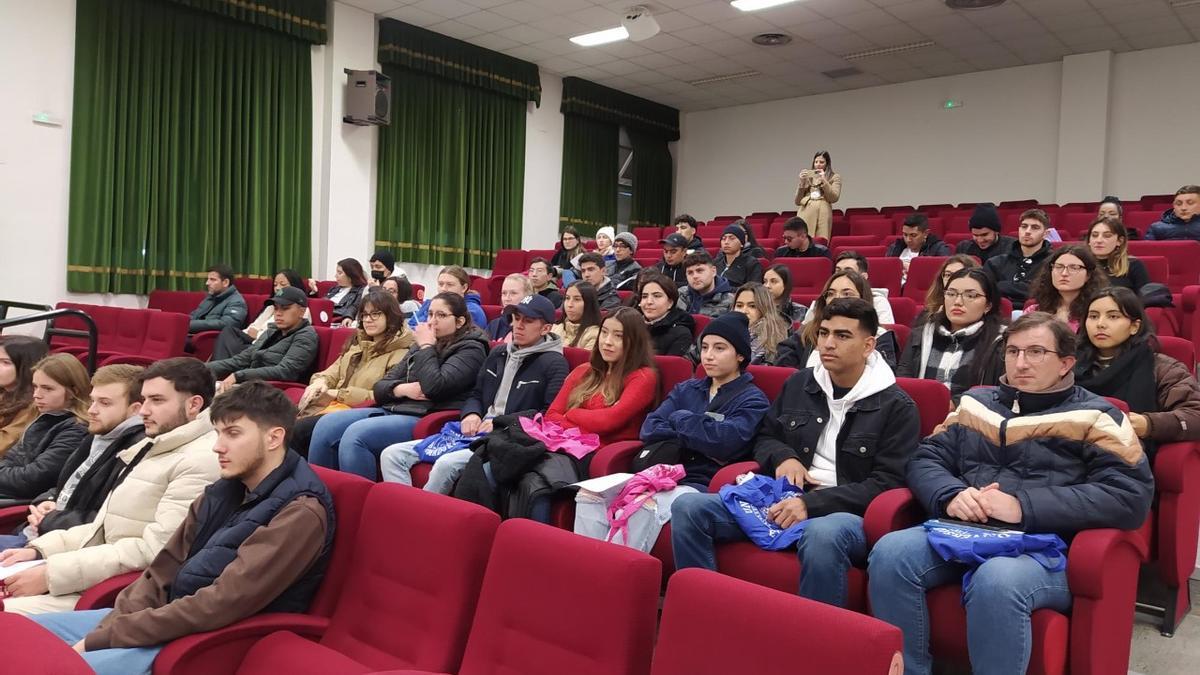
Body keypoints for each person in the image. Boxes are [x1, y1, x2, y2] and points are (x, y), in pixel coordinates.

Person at [868, 312, 1154, 675]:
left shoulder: (1099, 416)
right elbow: (926, 457)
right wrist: (951, 493)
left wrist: (1022, 506)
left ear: (1066, 363)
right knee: (891, 554)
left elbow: (1128, 496)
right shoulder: (976, 403)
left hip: (1044, 544)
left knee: (997, 580)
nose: (1021, 363)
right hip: (966, 528)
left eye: (1036, 352)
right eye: (1013, 351)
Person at [23, 382, 333, 675]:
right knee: (20, 635)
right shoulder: (224, 489)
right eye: (217, 433)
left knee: (42, 667)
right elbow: (163, 567)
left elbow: (221, 604)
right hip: (164, 618)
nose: (218, 447)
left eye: (233, 434)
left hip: (212, 638)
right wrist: (121, 619)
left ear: (274, 438)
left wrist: (113, 634)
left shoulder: (300, 511)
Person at [672, 298, 919, 608]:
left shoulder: (898, 406)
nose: (828, 343)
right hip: (783, 496)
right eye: (824, 332)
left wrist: (810, 503)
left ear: (869, 345)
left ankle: (817, 642)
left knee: (822, 534)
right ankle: (701, 611)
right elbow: (765, 437)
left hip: (844, 512)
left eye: (842, 336)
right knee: (690, 507)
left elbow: (887, 483)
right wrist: (784, 456)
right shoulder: (801, 382)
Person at [0, 358, 220, 616]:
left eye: (157, 400)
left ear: (194, 404)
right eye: (145, 399)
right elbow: (102, 529)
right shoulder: (156, 445)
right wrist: (40, 551)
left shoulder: (199, 461)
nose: (144, 410)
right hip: (84, 573)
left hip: (111, 595)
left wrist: (51, 573)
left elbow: (156, 551)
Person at [576, 313, 770, 550]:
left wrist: (680, 419)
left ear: (740, 355)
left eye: (720, 348)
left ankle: (610, 573)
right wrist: (699, 430)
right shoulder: (687, 389)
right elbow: (650, 427)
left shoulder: (753, 400)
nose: (708, 355)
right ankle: (588, 563)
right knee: (590, 494)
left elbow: (726, 442)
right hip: (657, 472)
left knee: (644, 504)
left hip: (698, 482)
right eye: (705, 347)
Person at [379, 294, 569, 490]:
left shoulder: (555, 363)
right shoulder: (499, 352)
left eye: (528, 321)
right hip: (475, 431)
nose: (518, 325)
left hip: (507, 438)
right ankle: (406, 511)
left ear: (546, 328)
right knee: (392, 454)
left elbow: (547, 416)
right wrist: (471, 413)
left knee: (445, 465)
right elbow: (477, 393)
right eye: (516, 318)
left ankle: (423, 518)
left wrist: (500, 423)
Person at [308, 292, 489, 480]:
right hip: (396, 406)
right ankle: (319, 493)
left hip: (426, 415)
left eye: (441, 315)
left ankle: (357, 502)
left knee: (356, 436)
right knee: (326, 425)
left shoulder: (471, 349)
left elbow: (435, 386)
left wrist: (426, 346)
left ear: (459, 322)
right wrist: (401, 389)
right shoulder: (423, 343)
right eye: (430, 314)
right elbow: (381, 385)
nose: (432, 321)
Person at [0, 365, 145, 552]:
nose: (92, 410)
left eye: (105, 403)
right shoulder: (98, 435)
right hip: (34, 534)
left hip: (55, 547)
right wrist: (45, 501)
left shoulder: (135, 451)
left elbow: (107, 521)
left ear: (135, 409)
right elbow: (64, 486)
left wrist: (50, 519)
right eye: (93, 400)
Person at [1075, 287, 1200, 458]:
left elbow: (1195, 416)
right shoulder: (1066, 366)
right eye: (1093, 316)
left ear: (1134, 326)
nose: (1100, 324)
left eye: (1113, 316)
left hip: (1124, 458)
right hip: (1068, 450)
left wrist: (1148, 424)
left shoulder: (1162, 367)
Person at [289, 290, 414, 456]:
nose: (368, 319)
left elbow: (381, 395)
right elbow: (331, 372)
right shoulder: (358, 345)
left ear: (390, 316)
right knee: (276, 422)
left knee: (297, 431)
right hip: (332, 406)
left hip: (360, 412)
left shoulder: (401, 353)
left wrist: (337, 394)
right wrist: (320, 382)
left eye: (375, 314)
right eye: (364, 315)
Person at [544, 307, 659, 446]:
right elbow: (551, 416)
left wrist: (571, 413)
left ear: (634, 342)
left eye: (619, 336)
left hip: (601, 453)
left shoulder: (643, 377)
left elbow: (608, 422)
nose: (607, 341)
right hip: (562, 444)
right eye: (604, 333)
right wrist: (586, 431)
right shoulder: (583, 370)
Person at [898, 268, 1006, 401]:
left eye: (970, 296)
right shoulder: (921, 335)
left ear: (988, 305)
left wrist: (954, 404)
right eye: (951, 294)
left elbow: (999, 392)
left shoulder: (1001, 342)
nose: (958, 302)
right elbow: (904, 380)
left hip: (972, 416)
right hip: (920, 413)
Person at [0, 355, 89, 503]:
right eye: (35, 386)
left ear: (74, 391)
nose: (37, 395)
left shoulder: (77, 429)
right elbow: (10, 459)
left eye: (47, 388)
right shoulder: (43, 417)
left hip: (28, 502)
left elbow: (31, 480)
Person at [782, 270, 900, 369]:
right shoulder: (809, 330)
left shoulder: (879, 336)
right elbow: (784, 356)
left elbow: (883, 374)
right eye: (831, 294)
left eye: (847, 294)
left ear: (863, 299)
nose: (837, 299)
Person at [207, 287, 319, 389]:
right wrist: (202, 368)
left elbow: (285, 372)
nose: (278, 314)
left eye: (285, 308)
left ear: (302, 311)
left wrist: (239, 376)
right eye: (276, 308)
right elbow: (241, 360)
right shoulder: (272, 330)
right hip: (250, 386)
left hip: (271, 392)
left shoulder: (306, 336)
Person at [209, 269, 311, 362]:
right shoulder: (271, 306)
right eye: (275, 285)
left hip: (267, 346)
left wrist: (257, 334)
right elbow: (253, 326)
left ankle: (218, 371)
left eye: (283, 284)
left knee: (229, 346)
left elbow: (281, 336)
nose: (278, 288)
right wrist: (252, 333)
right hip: (253, 341)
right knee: (229, 332)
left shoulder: (301, 310)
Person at [1024, 244, 1107, 331]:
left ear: (1088, 275)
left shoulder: (1097, 312)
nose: (1064, 273)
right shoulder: (1034, 311)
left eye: (1074, 268)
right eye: (1059, 267)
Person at [984, 208, 1053, 308]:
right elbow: (986, 290)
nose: (1028, 231)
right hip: (998, 313)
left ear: (1045, 234)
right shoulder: (995, 262)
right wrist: (1026, 287)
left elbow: (1043, 292)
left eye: (1035, 227)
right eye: (1024, 226)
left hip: (1037, 316)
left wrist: (1001, 285)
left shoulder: (1052, 263)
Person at [0, 335, 50, 456]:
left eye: (5, 363)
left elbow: (5, 444)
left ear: (26, 366)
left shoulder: (35, 403)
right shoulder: (4, 392)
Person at [409, 265, 488, 329]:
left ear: (464, 288)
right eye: (440, 284)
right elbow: (411, 324)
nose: (443, 289)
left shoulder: (472, 311)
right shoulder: (430, 303)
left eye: (450, 285)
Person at [1086, 217, 1150, 293]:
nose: (1099, 240)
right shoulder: (1080, 265)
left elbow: (1145, 299)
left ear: (1119, 241)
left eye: (1107, 236)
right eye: (1094, 235)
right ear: (1089, 241)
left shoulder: (1133, 265)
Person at [732, 283, 790, 365]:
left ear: (764, 309)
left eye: (752, 306)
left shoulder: (773, 339)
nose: (744, 311)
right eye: (739, 305)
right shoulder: (724, 331)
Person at [639, 273, 694, 357]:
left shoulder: (681, 334)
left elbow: (668, 368)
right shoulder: (633, 326)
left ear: (670, 303)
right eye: (644, 296)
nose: (649, 302)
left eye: (657, 296)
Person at [831, 252, 896, 324]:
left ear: (864, 277)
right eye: (838, 271)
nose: (841, 275)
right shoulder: (826, 299)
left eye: (848, 271)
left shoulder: (878, 302)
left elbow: (884, 333)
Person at [886, 213, 951, 284]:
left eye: (913, 235)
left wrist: (913, 269)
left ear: (926, 233)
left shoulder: (939, 248)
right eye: (905, 234)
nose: (908, 239)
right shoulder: (895, 247)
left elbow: (945, 275)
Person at [794, 150, 842, 241]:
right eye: (816, 162)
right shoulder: (808, 177)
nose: (818, 164)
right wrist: (802, 182)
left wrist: (824, 180)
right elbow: (797, 201)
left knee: (821, 239)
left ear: (827, 164)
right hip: (806, 210)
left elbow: (834, 197)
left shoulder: (835, 177)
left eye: (821, 162)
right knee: (802, 239)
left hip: (823, 211)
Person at [188, 264, 247, 335]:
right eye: (208, 279)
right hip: (194, 333)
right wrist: (181, 322)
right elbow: (194, 316)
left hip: (211, 339)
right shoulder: (211, 297)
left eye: (212, 279)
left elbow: (226, 324)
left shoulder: (237, 302)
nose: (207, 283)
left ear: (225, 282)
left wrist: (189, 325)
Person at [920, 255, 979, 322]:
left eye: (959, 274)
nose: (951, 279)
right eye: (948, 275)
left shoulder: (977, 310)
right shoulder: (930, 311)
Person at [678, 252, 735, 318]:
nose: (695, 276)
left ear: (713, 271)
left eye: (699, 271)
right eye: (690, 272)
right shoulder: (681, 294)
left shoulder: (730, 300)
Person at [318, 258, 369, 327]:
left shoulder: (361, 290)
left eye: (340, 273)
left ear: (350, 275)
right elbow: (321, 302)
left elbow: (354, 306)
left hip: (335, 319)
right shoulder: (335, 288)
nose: (335, 276)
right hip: (322, 316)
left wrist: (348, 316)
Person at [553, 281, 603, 351]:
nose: (569, 304)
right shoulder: (554, 328)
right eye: (567, 298)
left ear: (589, 304)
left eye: (577, 299)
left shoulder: (595, 334)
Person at [485, 274, 534, 341]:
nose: (507, 298)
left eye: (513, 293)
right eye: (504, 293)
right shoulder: (494, 324)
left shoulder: (533, 326)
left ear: (527, 296)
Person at [715, 223, 764, 288]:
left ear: (741, 243)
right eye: (723, 239)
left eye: (732, 238)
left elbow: (754, 289)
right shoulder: (716, 263)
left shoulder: (751, 263)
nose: (726, 242)